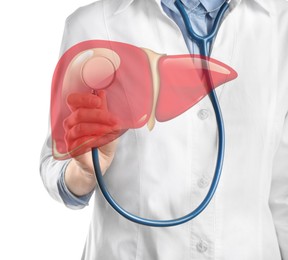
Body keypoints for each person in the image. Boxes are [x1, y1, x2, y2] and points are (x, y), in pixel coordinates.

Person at [40, 0, 288, 259]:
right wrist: (84, 173)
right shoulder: (92, 24)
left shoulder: (281, 24)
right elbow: (54, 163)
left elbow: (283, 191)